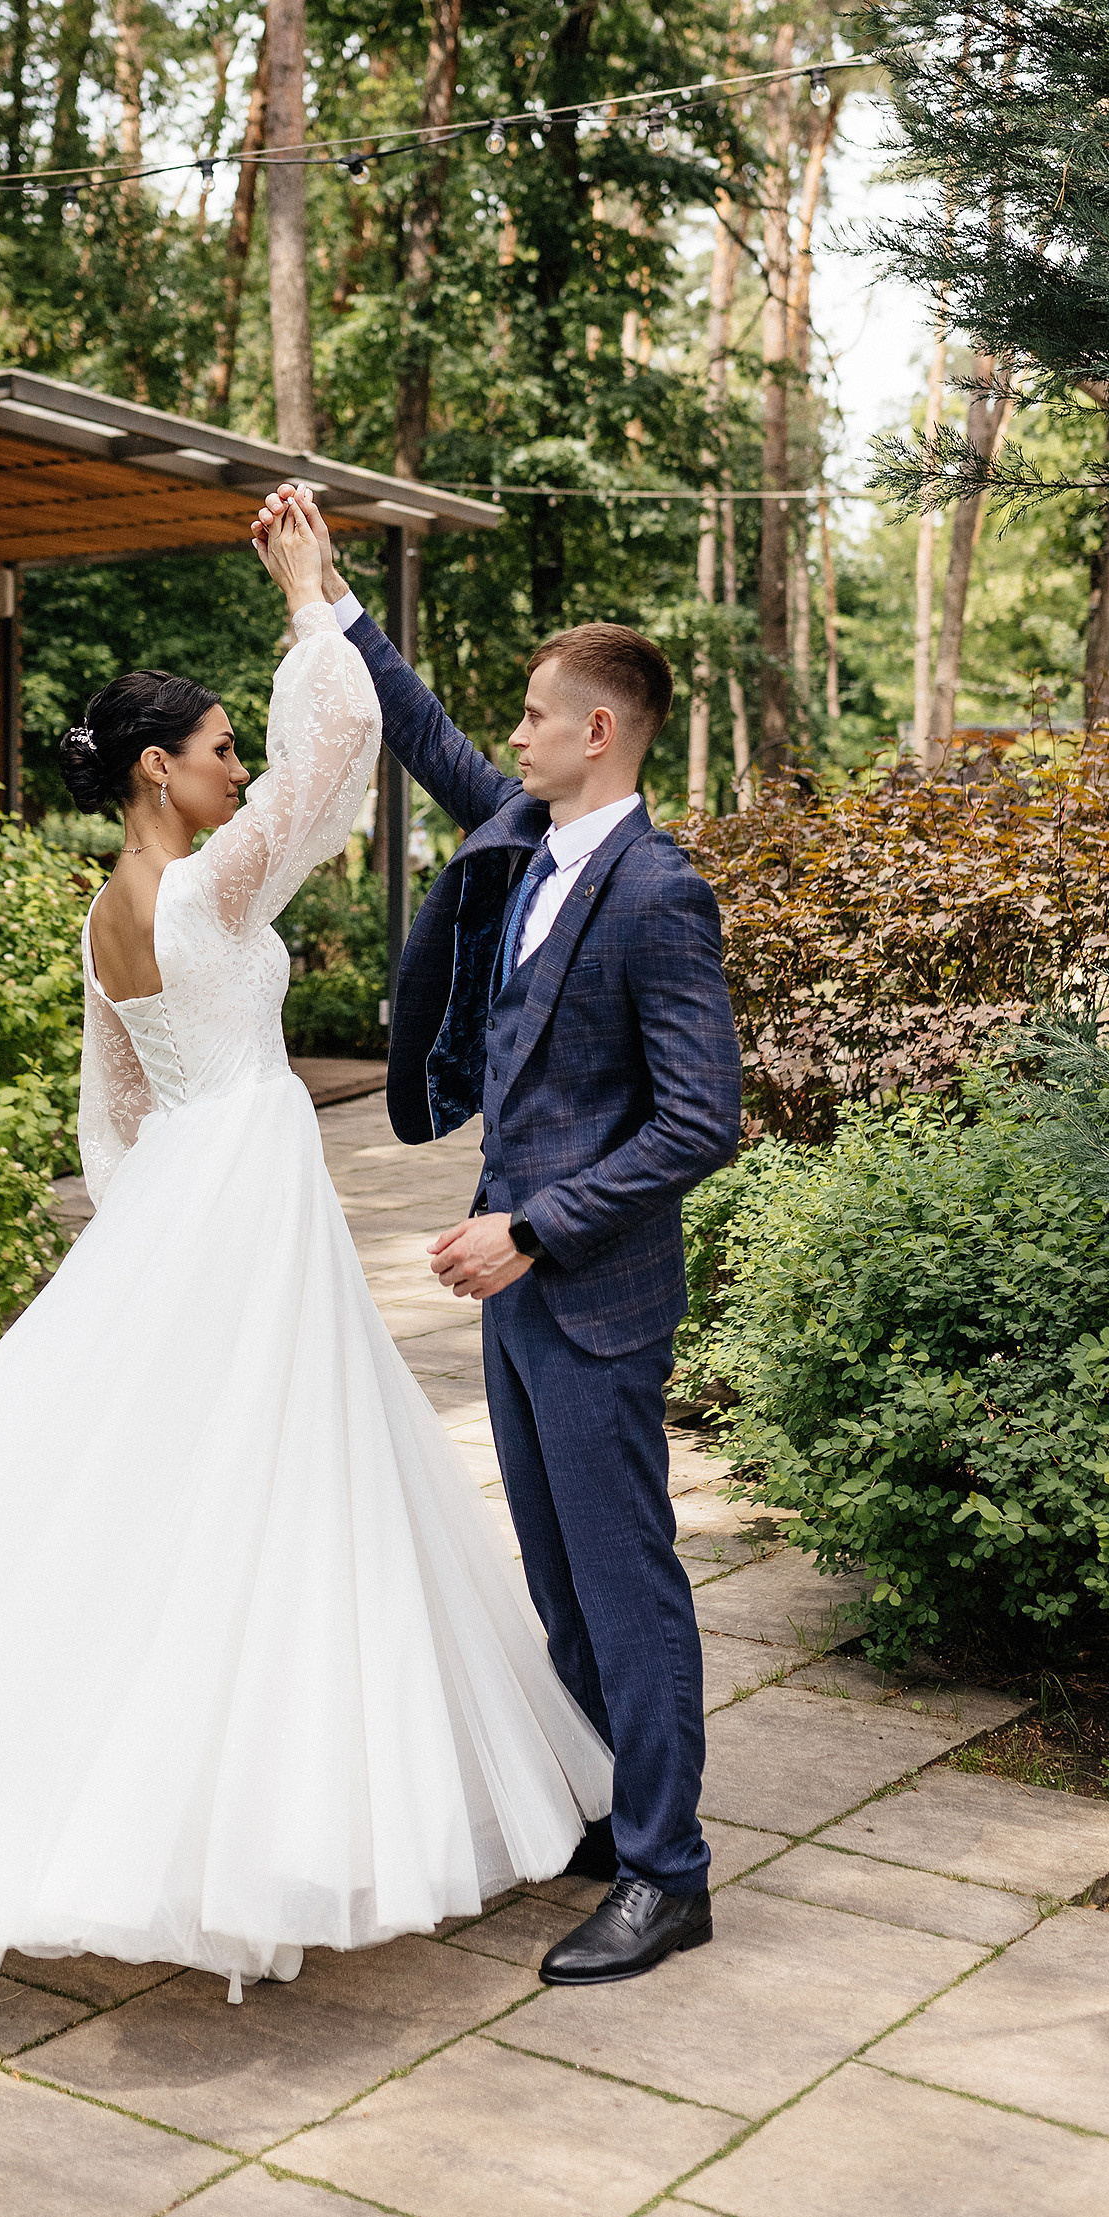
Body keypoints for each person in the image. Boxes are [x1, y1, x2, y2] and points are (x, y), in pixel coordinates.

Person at [0, 496, 610, 2003]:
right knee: (271, 1483)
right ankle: (235, 1818)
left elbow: (113, 1115)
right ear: (160, 771)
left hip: (191, 1186)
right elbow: (339, 759)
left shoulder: (111, 913)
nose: (241, 769)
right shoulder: (210, 884)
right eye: (219, 749)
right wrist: (311, 599)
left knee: (176, 1481)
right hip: (238, 1190)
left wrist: (153, 1229)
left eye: (240, 747)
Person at [252, 486, 741, 1989]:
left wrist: (531, 1222)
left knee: (628, 1577)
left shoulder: (660, 893)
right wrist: (322, 597)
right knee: (555, 1576)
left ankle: (670, 1872)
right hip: (517, 1294)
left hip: (587, 1290)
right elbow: (422, 731)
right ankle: (613, 1806)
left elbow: (700, 1122)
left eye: (537, 716)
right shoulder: (529, 836)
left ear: (602, 732)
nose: (513, 736)